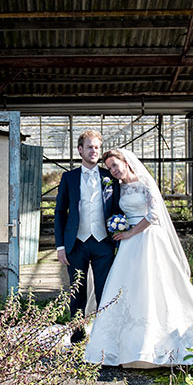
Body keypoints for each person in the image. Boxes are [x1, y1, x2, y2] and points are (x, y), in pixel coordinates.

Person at [83, 148, 193, 368]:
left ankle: (161, 345)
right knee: (126, 288)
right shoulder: (119, 188)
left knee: (155, 286)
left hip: (149, 238)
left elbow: (153, 215)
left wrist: (131, 232)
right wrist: (119, 225)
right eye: (110, 168)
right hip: (128, 243)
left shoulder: (146, 183)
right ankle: (123, 347)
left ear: (125, 161)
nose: (113, 171)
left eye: (115, 165)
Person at [54, 130, 121, 340]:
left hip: (104, 243)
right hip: (76, 243)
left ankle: (104, 336)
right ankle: (77, 335)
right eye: (90, 147)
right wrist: (60, 246)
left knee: (105, 290)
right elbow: (59, 211)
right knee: (77, 292)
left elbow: (119, 207)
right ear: (80, 149)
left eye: (97, 147)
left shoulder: (109, 176)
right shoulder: (69, 177)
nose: (94, 151)